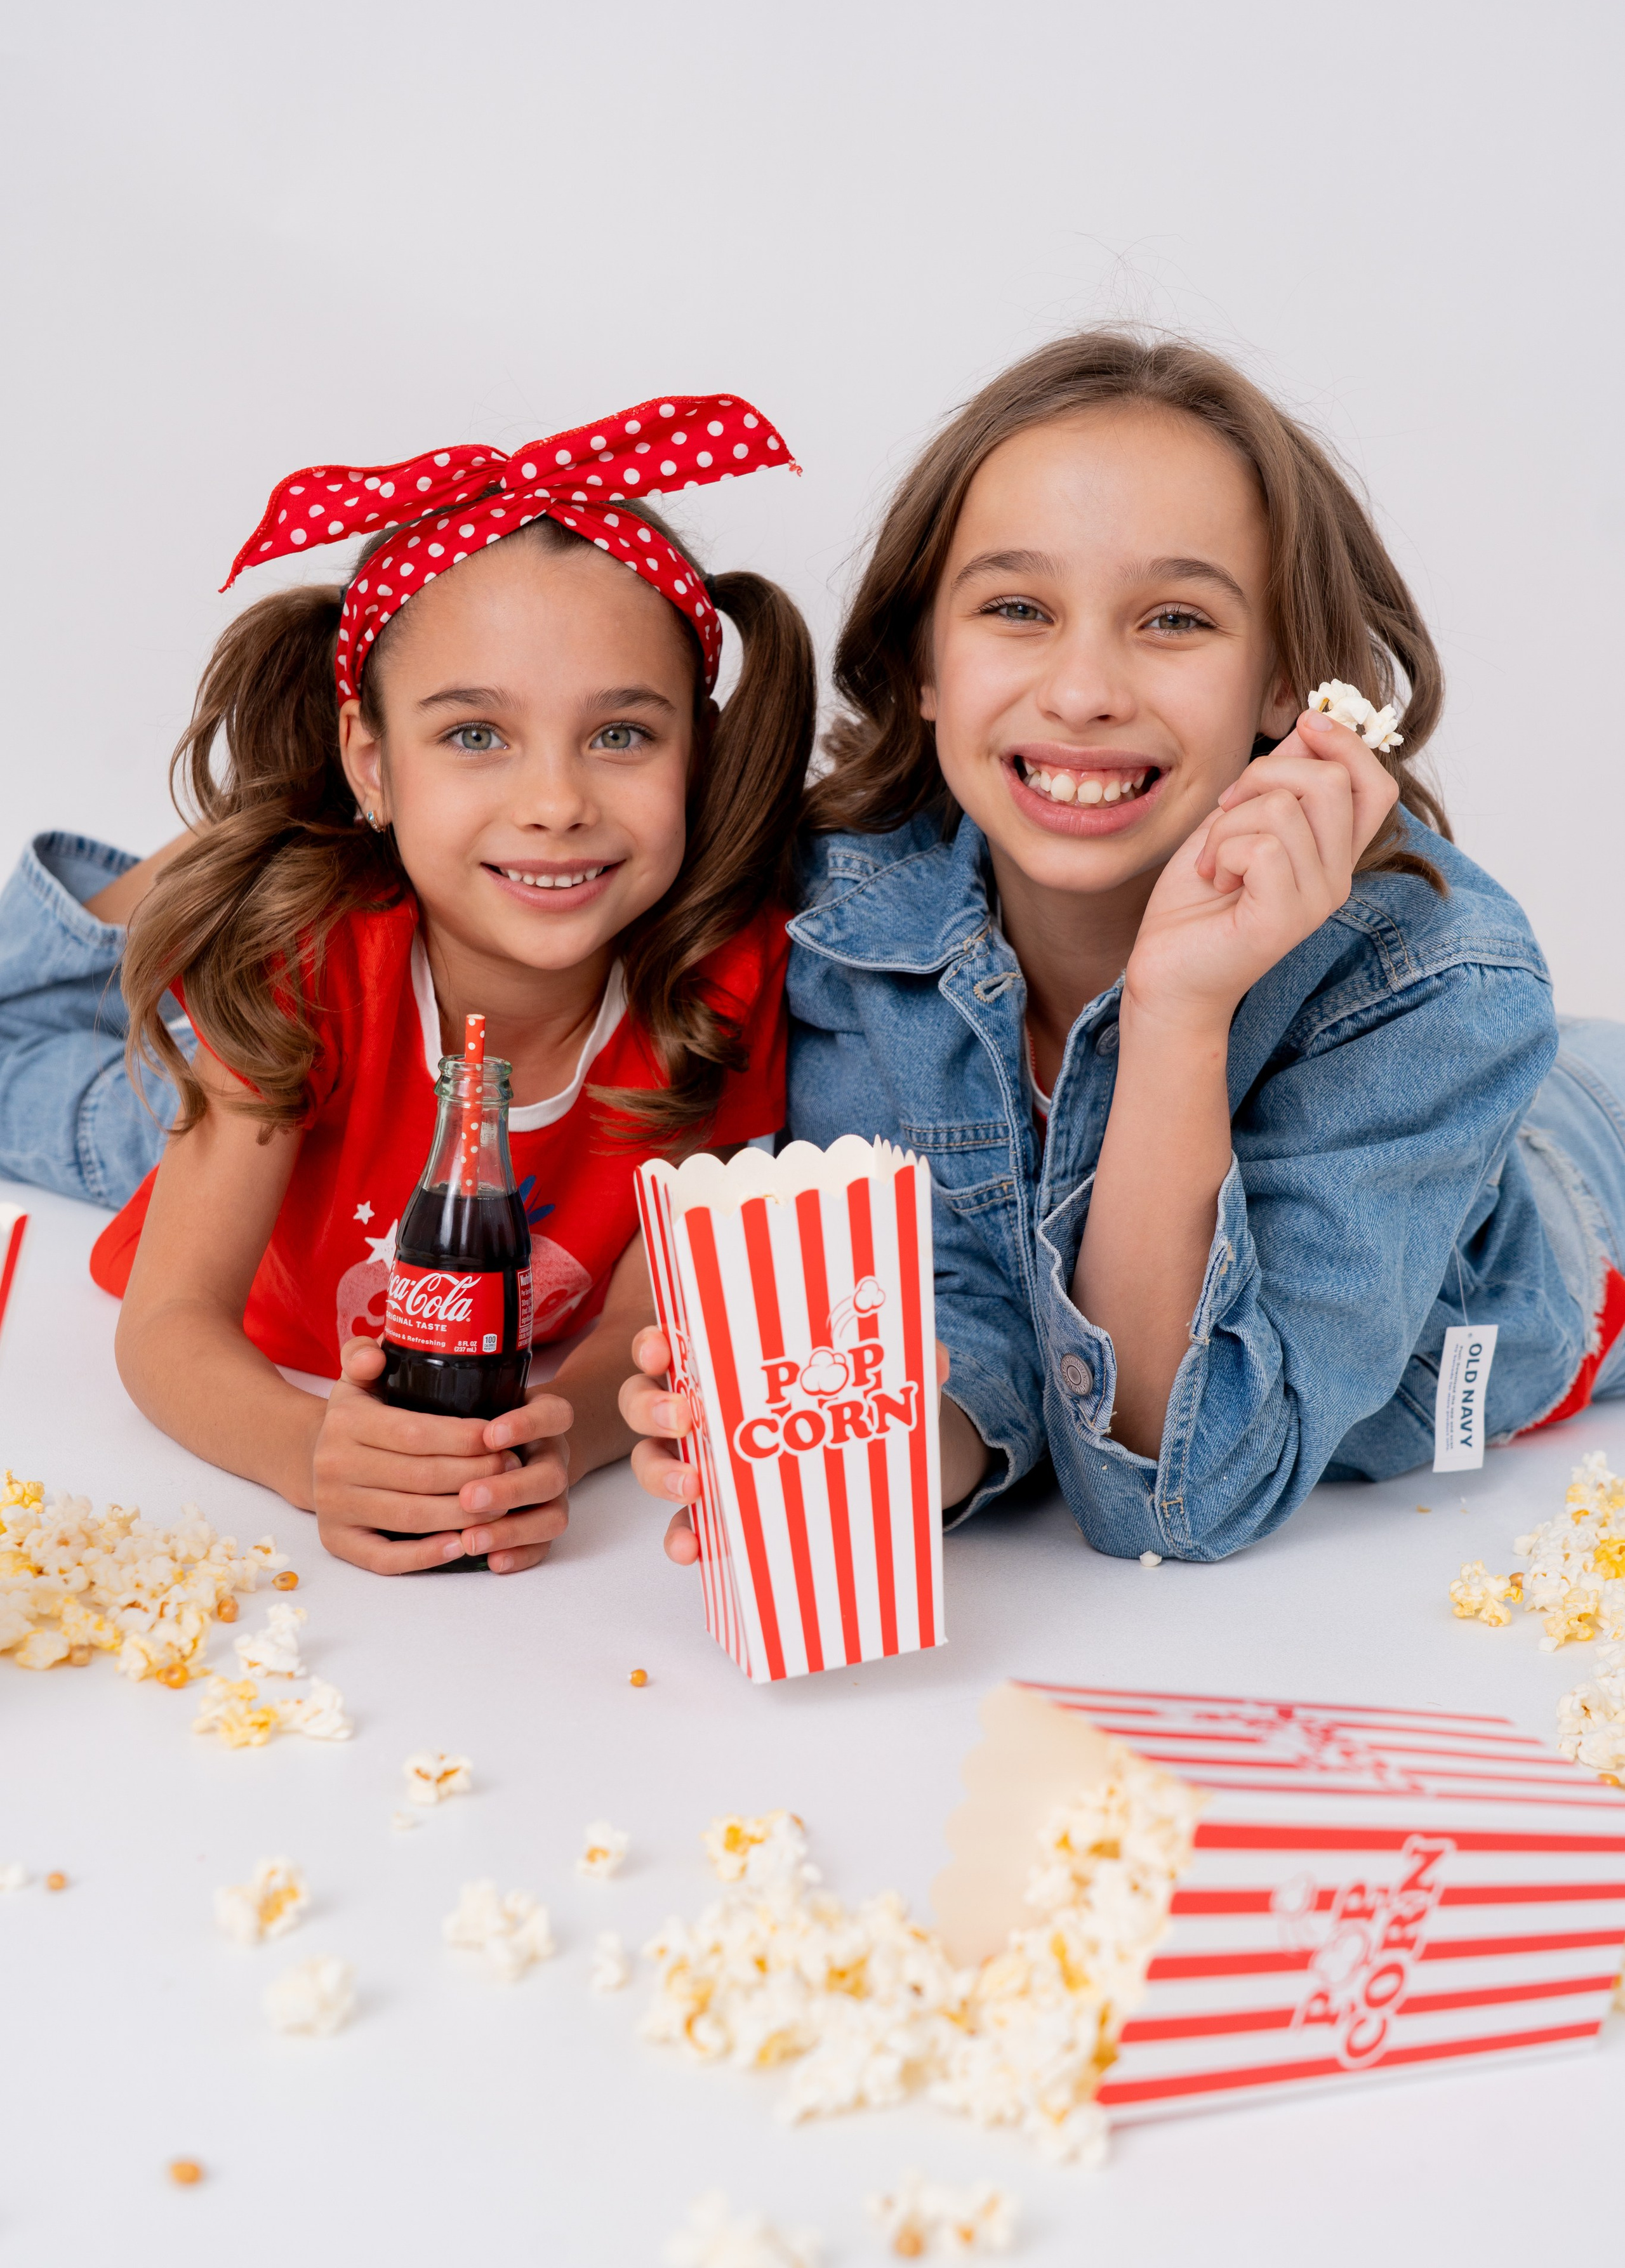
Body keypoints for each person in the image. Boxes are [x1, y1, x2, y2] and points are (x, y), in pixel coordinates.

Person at [623, 333, 1624, 1565]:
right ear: (922, 662)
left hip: (1579, 1190)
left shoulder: (1436, 986)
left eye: (1174, 618)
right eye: (1015, 609)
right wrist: (886, 1449)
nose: (1083, 690)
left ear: (1283, 685)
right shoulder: (851, 922)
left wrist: (1175, 1011)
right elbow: (970, 1313)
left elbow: (1174, 1493)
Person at [0, 397, 814, 1574]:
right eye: (476, 735)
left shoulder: (722, 978)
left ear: (699, 753)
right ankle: (216, 857)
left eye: (622, 736)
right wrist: (311, 1449)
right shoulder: (303, 966)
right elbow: (168, 1327)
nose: (556, 803)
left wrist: (556, 1439)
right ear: (374, 763)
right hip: (239, 1124)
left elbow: (649, 1315)